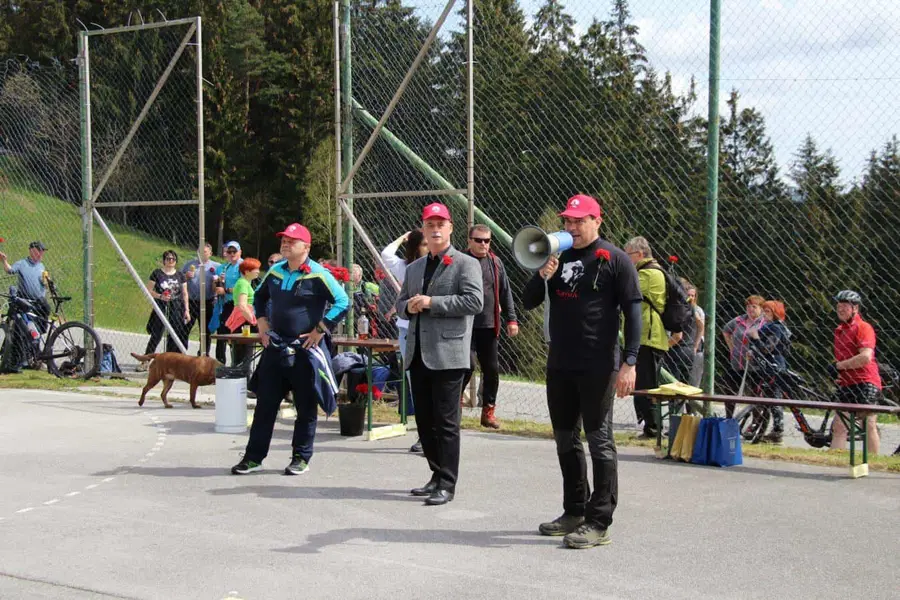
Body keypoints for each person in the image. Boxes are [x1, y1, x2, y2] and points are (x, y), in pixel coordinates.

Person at [522, 194, 642, 550]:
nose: (572, 227)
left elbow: (633, 312)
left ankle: (599, 519)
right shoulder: (558, 257)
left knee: (599, 441)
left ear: (596, 221)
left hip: (598, 365)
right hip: (560, 363)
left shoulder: (616, 260)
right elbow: (528, 301)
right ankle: (574, 510)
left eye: (579, 221)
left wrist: (630, 362)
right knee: (564, 439)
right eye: (568, 221)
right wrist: (542, 274)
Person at [231, 223, 349, 476]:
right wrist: (261, 322)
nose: (285, 243)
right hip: (275, 347)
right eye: (283, 239)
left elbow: (343, 301)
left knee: (305, 406)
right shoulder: (275, 271)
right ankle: (253, 458)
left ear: (305, 247)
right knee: (265, 405)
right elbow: (260, 297)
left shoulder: (319, 274)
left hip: (305, 350)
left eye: (291, 241)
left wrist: (320, 329)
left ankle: (301, 457)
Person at [396, 203, 483, 506]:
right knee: (424, 421)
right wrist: (409, 306)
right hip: (418, 353)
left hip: (448, 354)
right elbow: (399, 304)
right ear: (423, 228)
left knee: (446, 422)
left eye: (440, 224)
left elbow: (474, 301)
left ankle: (448, 482)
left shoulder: (465, 263)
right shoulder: (414, 268)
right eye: (430, 224)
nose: (435, 229)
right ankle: (435, 474)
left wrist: (433, 302)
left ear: (450, 228)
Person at [461, 224, 519, 429]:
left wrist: (512, 320)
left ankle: (488, 412)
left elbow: (505, 292)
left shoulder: (495, 263)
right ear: (469, 241)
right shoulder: (459, 261)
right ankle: (453, 408)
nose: (483, 244)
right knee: (466, 365)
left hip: (488, 324)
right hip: (463, 325)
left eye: (487, 240)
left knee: (492, 370)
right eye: (478, 240)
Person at [624, 236, 678, 435]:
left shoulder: (649, 273)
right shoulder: (643, 272)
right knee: (641, 383)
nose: (625, 259)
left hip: (649, 337)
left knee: (647, 384)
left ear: (639, 254)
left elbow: (626, 289)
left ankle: (653, 427)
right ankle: (649, 424)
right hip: (643, 337)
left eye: (627, 255)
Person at [381, 229, 428, 453]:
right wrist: (402, 238)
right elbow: (386, 254)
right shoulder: (405, 267)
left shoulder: (442, 265)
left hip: (432, 331)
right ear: (415, 247)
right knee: (415, 383)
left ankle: (437, 433)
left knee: (434, 384)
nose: (429, 247)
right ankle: (423, 435)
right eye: (424, 244)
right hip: (408, 330)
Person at [828, 290, 881, 455]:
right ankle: (834, 463)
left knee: (868, 424)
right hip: (847, 383)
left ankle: (874, 462)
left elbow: (865, 357)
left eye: (845, 305)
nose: (840, 309)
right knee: (839, 425)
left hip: (866, 381)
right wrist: (839, 373)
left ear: (855, 308)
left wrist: (839, 366)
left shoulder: (863, 327)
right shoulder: (839, 330)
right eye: (838, 305)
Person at [0, 241, 51, 370]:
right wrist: (4, 261)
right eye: (39, 251)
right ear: (32, 250)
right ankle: (22, 360)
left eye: (42, 251)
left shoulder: (41, 266)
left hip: (38, 304)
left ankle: (34, 357)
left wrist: (47, 283)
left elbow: (44, 283)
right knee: (26, 330)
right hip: (25, 302)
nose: (41, 254)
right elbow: (10, 270)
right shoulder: (22, 263)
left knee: (37, 331)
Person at [748, 300, 792, 443]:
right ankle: (766, 427)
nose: (764, 314)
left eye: (768, 311)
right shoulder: (770, 326)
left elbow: (768, 348)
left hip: (775, 366)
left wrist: (756, 338)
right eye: (764, 311)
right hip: (768, 365)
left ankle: (778, 429)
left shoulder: (776, 328)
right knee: (769, 397)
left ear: (775, 313)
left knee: (775, 397)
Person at [138, 250, 190, 370]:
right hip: (161, 304)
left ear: (176, 261)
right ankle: (146, 361)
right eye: (168, 258)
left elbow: (185, 293)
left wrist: (186, 310)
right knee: (157, 334)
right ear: (164, 260)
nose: (170, 261)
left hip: (176, 306)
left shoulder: (180, 275)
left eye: (173, 259)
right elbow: (149, 290)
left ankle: (170, 362)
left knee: (174, 334)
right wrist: (160, 296)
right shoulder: (157, 273)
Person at [722, 295, 765, 415]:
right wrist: (732, 348)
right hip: (737, 362)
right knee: (730, 391)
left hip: (755, 366)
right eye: (748, 306)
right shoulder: (738, 320)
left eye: (754, 306)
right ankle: (729, 417)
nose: (750, 309)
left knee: (755, 395)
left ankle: (756, 421)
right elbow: (726, 330)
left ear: (761, 308)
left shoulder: (764, 323)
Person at [182, 243, 220, 357]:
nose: (201, 254)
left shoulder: (216, 267)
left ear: (210, 253)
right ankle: (182, 353)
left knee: (205, 332)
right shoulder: (189, 264)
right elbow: (179, 279)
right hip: (191, 302)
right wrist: (186, 276)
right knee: (184, 329)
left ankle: (203, 355)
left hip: (208, 302)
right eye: (199, 251)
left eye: (205, 252)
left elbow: (221, 282)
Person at [215, 241, 244, 365]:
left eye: (234, 251)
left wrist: (225, 290)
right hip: (225, 305)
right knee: (221, 334)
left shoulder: (243, 266)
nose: (231, 254)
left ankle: (237, 365)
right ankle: (219, 365)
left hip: (238, 305)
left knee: (237, 337)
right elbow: (217, 287)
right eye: (229, 252)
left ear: (240, 252)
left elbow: (242, 286)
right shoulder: (223, 267)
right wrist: (218, 283)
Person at [231, 258, 262, 366]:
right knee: (242, 357)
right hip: (243, 320)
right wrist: (254, 322)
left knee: (246, 356)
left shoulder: (246, 283)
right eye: (255, 269)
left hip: (246, 318)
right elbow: (242, 306)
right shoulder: (242, 283)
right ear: (247, 271)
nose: (258, 271)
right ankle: (241, 378)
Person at [686, 283, 705, 387]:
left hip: (696, 346)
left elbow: (702, 329)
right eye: (688, 295)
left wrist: (695, 346)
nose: (690, 298)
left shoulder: (698, 310)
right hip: (683, 345)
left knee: (694, 377)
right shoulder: (679, 309)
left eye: (692, 295)